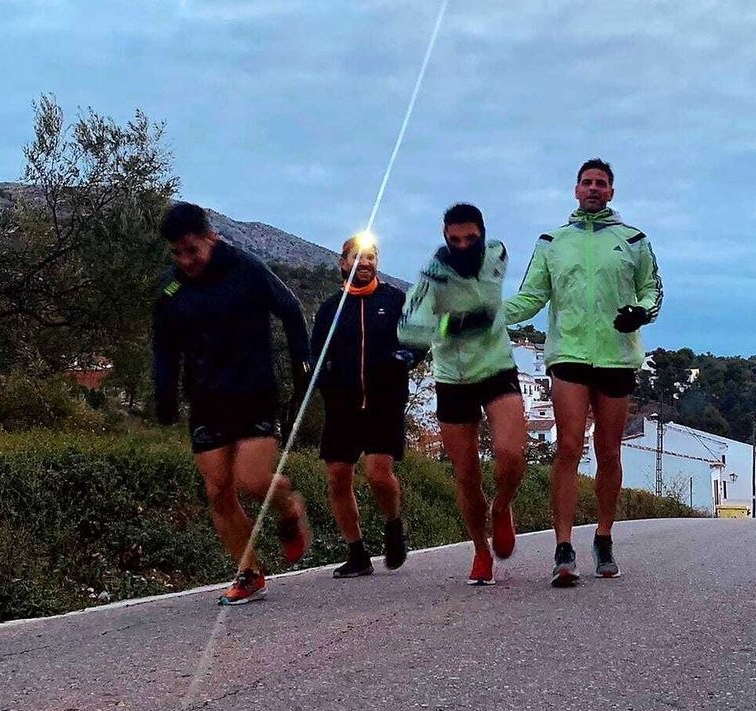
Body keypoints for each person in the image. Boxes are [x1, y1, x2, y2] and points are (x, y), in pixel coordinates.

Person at [504, 158, 662, 587]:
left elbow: (652, 290)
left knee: (609, 452)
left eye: (601, 183)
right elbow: (530, 298)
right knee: (569, 446)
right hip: (569, 355)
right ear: (575, 190)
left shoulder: (634, 240)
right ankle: (563, 548)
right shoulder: (551, 241)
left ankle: (604, 537)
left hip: (616, 356)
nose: (593, 188)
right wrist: (487, 314)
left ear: (611, 192)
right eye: (587, 182)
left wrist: (641, 313)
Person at [152, 202, 314, 605]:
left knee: (255, 481)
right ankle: (249, 572)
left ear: (211, 237)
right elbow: (164, 347)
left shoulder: (247, 268)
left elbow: (291, 309)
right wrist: (164, 394)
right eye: (177, 253)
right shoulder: (172, 289)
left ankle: (289, 508)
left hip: (254, 392)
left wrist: (302, 365)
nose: (185, 260)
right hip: (206, 400)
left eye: (191, 249)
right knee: (219, 491)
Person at [398, 203, 527, 586]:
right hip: (453, 376)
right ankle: (479, 550)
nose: (463, 246)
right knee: (466, 473)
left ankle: (501, 505)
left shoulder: (498, 254)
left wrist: (449, 321)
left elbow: (487, 306)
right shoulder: (432, 275)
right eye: (454, 240)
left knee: (511, 453)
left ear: (483, 235)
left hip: (497, 366)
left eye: (471, 238)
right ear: (445, 239)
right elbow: (415, 319)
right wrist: (412, 346)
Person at [309, 234, 416, 578]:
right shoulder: (330, 309)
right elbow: (315, 355)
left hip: (385, 401)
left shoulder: (396, 300)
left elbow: (420, 337)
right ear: (343, 263)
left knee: (378, 474)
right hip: (342, 405)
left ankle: (393, 524)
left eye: (370, 257)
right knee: (338, 479)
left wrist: (410, 357)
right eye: (358, 257)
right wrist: (321, 382)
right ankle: (357, 553)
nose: (365, 263)